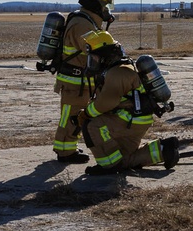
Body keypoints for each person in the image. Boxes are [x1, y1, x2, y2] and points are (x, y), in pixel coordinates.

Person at [75, 30, 179, 175]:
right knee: (124, 160)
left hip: (128, 119)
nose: (92, 63)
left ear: (105, 56)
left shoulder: (118, 72)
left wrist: (86, 113)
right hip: (135, 119)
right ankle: (164, 149)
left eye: (94, 58)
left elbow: (105, 103)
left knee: (93, 126)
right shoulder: (116, 70)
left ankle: (109, 167)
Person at [51, 0, 116, 163]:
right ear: (97, 3)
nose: (107, 10)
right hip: (74, 80)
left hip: (79, 80)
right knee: (71, 117)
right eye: (106, 5)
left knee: (74, 115)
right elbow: (95, 49)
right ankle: (65, 152)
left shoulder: (87, 20)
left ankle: (67, 146)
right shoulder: (82, 23)